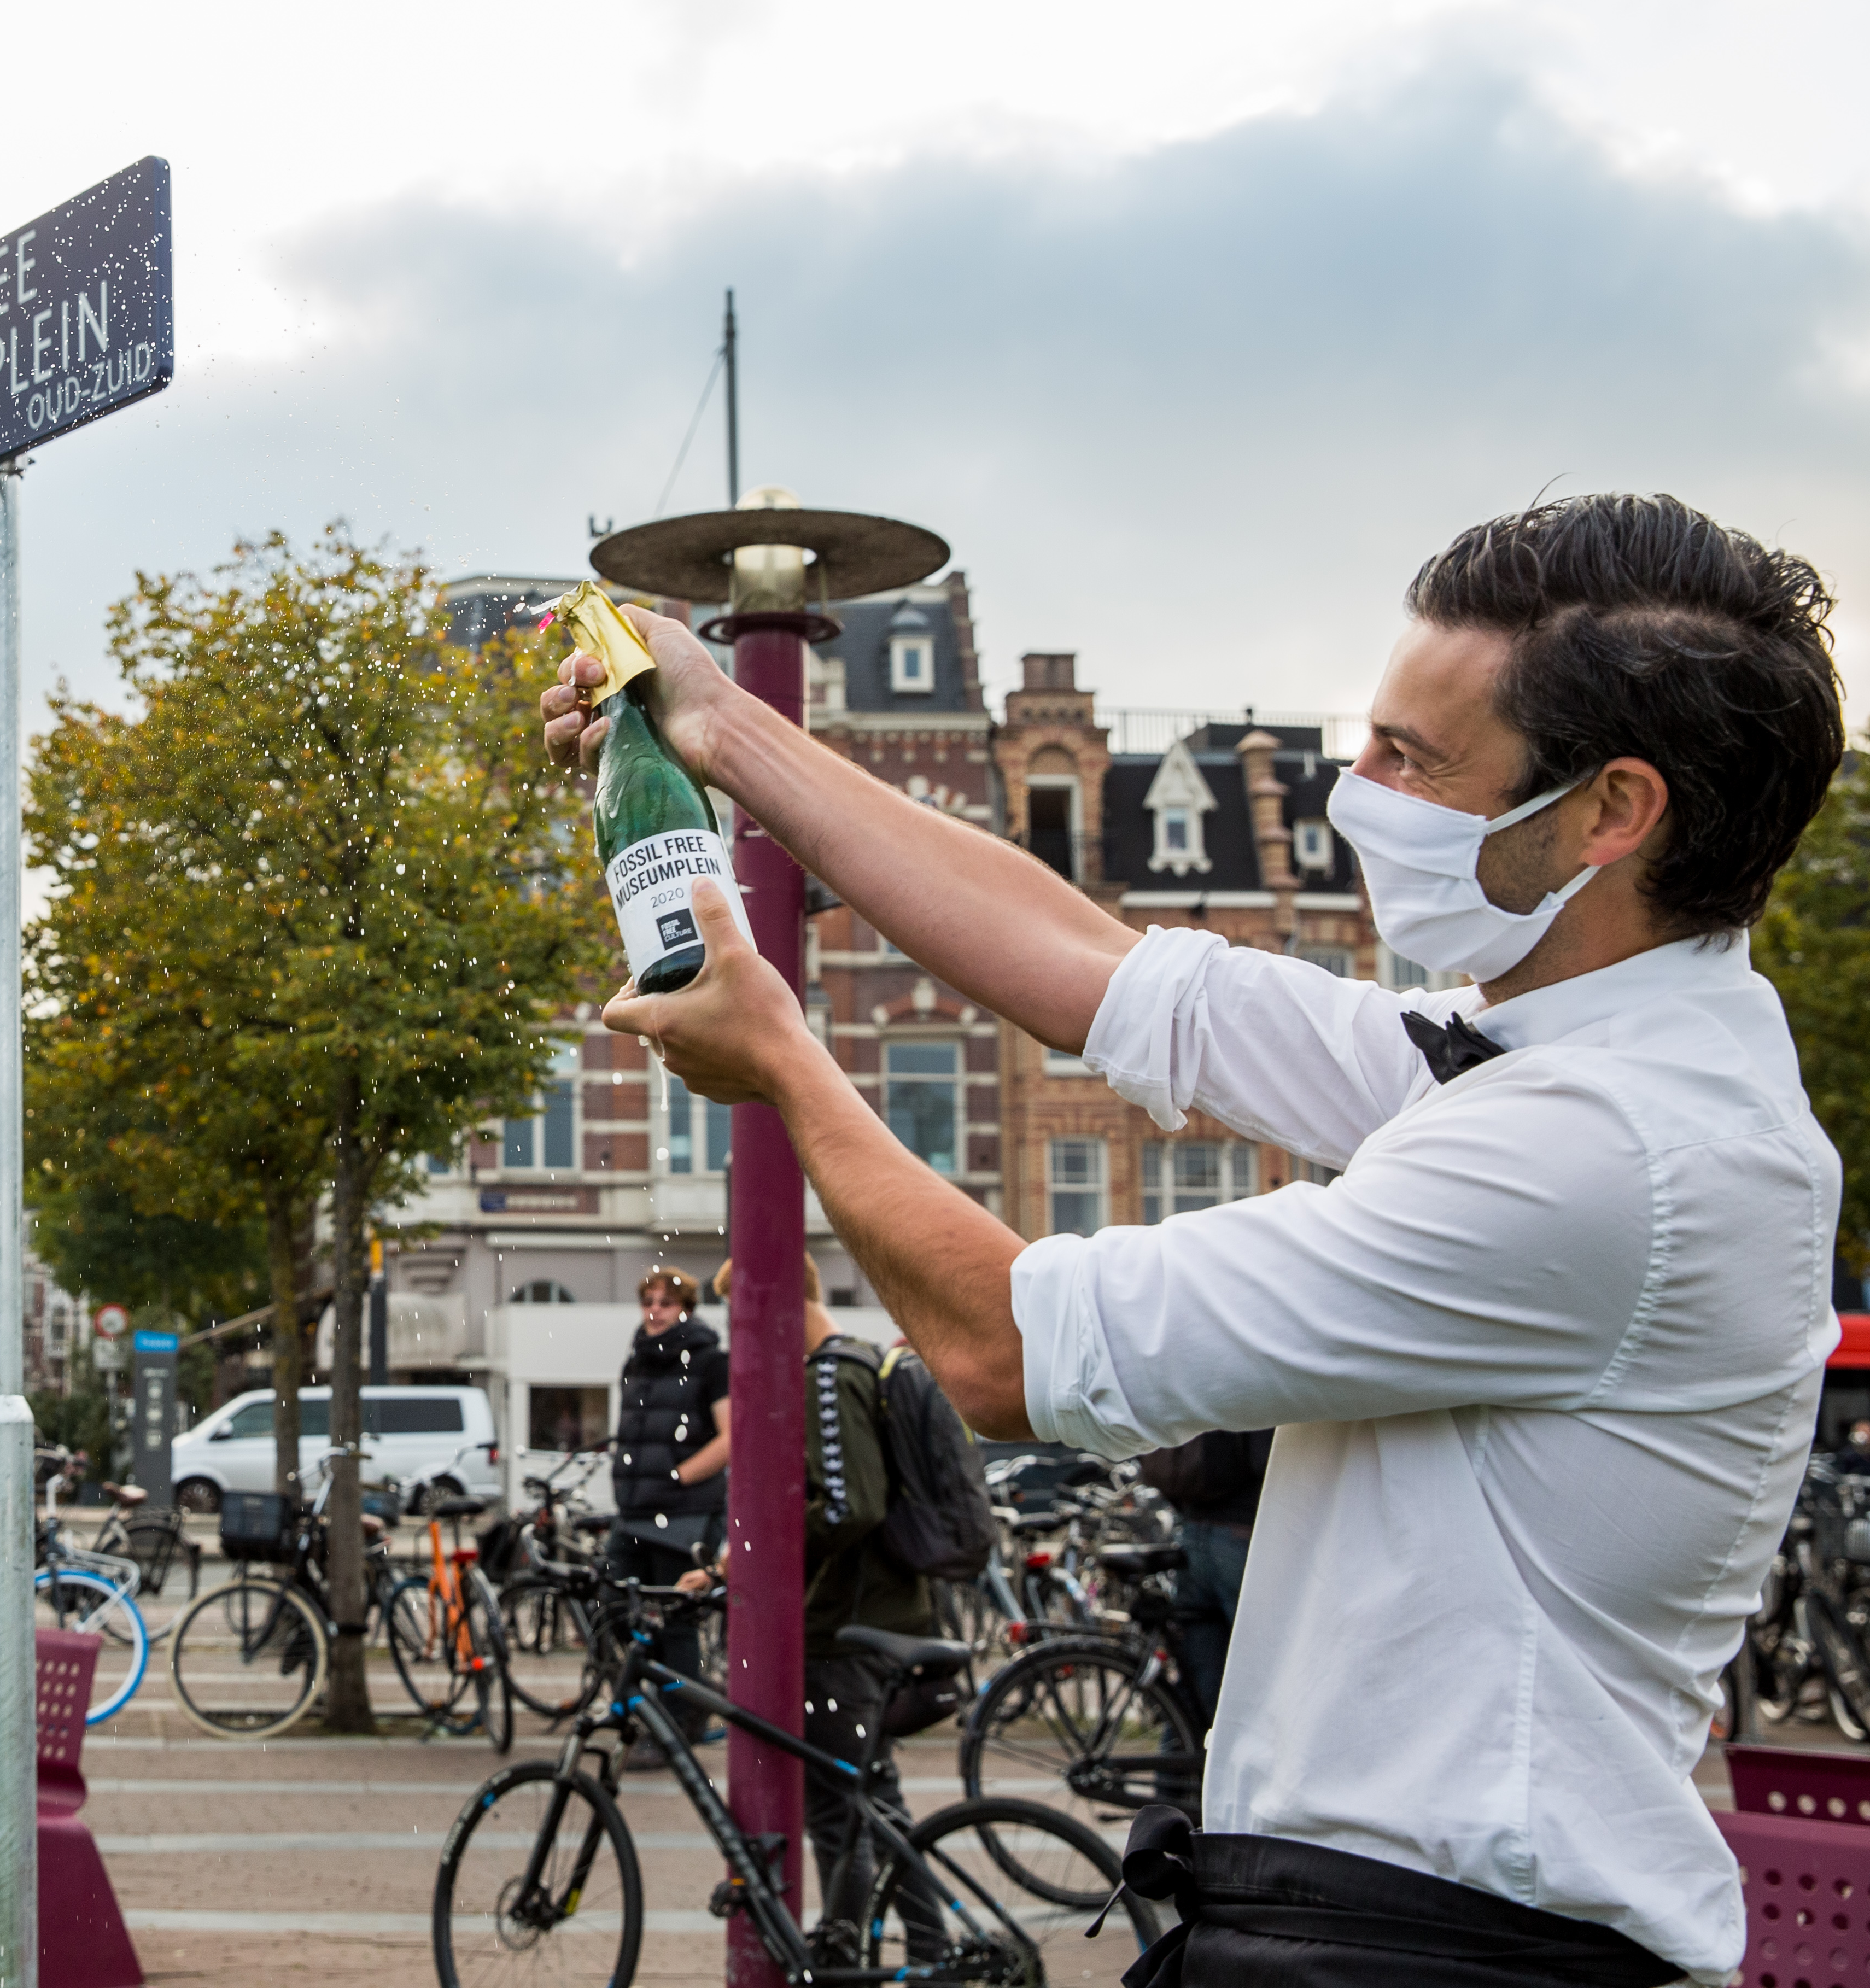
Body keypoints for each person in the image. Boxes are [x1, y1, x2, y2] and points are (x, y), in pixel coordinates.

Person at [551, 493, 1843, 1984]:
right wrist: (719, 725)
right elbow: (1101, 969)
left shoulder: (1609, 1151)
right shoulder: (1565, 1056)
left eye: (1414, 762)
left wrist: (783, 1057)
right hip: (1381, 1927)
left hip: (1441, 1953)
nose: (1357, 789)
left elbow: (1002, 1346)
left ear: (1613, 812)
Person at [797, 1276, 944, 1955]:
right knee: (874, 1800)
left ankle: (846, 1950)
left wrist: (763, 1554)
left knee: (838, 1809)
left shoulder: (829, 1377)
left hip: (849, 1627)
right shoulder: (857, 1362)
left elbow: (848, 1506)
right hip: (884, 1615)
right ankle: (930, 1946)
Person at [604, 1266, 728, 1682]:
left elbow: (731, 1438)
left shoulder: (710, 1363)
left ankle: (681, 1714)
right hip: (637, 1509)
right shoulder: (636, 1362)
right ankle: (657, 1701)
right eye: (648, 1301)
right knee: (613, 1605)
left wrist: (679, 1477)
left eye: (667, 1302)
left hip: (683, 1512)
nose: (655, 1310)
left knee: (677, 1620)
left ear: (687, 1310)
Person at [1135, 1429, 1272, 1717]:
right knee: (1265, 1672)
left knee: (1196, 1689)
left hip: (1194, 1535)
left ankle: (1177, 1759)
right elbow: (1266, 1459)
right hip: (1242, 1533)